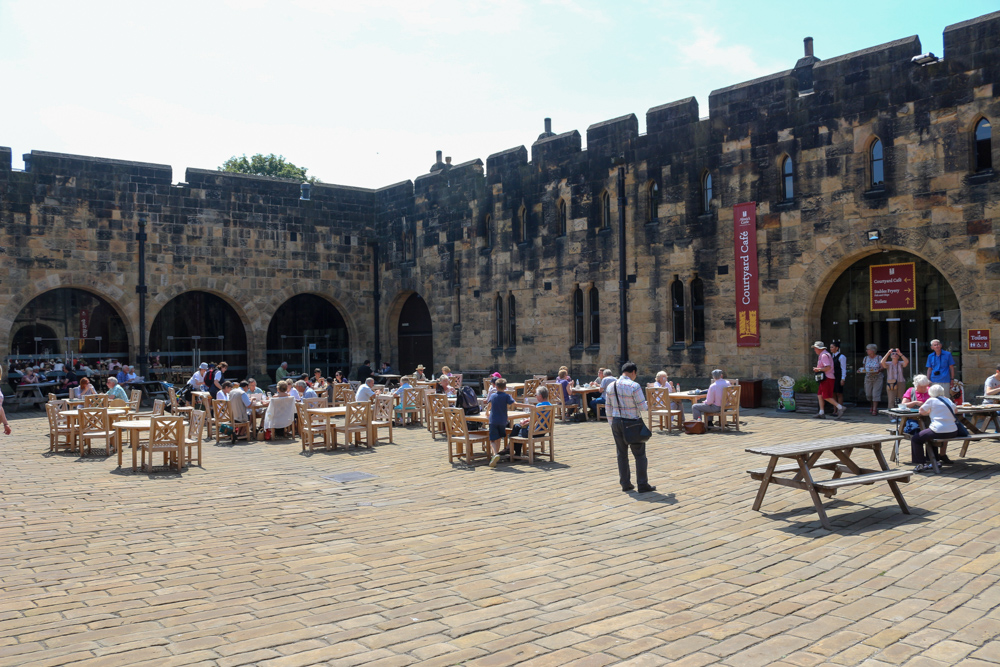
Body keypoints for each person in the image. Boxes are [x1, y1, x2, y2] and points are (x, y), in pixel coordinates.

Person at [606, 361, 655, 493]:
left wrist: (612, 423)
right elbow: (642, 407)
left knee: (621, 454)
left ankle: (625, 484)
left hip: (616, 421)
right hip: (632, 422)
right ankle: (642, 484)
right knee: (639, 454)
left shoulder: (611, 385)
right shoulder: (634, 386)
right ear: (633, 372)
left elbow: (608, 408)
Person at [910, 384, 966, 471]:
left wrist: (929, 412)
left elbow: (921, 411)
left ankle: (921, 463)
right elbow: (956, 411)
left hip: (938, 430)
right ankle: (934, 461)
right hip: (953, 431)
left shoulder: (931, 400)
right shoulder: (948, 400)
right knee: (930, 437)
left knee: (916, 439)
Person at [506, 385, 552, 458]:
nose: (535, 396)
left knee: (517, 428)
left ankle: (513, 452)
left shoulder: (539, 406)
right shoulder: (550, 406)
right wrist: (527, 421)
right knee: (518, 427)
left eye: (536, 395)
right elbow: (538, 419)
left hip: (534, 432)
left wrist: (525, 422)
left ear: (540, 396)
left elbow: (534, 420)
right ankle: (510, 449)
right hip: (543, 431)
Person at [812, 341, 845, 419]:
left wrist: (818, 369)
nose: (814, 350)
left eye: (815, 348)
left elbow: (828, 367)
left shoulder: (824, 355)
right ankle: (821, 412)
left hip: (827, 378)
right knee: (820, 395)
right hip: (825, 378)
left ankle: (840, 407)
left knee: (826, 396)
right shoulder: (823, 354)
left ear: (818, 348)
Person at [487, 378, 515, 468]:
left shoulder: (493, 396)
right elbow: (513, 404)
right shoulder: (506, 396)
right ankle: (496, 455)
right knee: (498, 438)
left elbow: (489, 405)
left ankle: (495, 454)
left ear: (495, 386)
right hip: (502, 421)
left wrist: (487, 411)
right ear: (505, 387)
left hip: (493, 420)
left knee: (492, 440)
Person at [857, 344, 883, 415]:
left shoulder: (879, 358)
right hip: (868, 378)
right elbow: (864, 368)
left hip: (877, 378)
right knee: (869, 394)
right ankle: (871, 405)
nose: (866, 351)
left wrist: (879, 370)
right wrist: (861, 370)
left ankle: (874, 409)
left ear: (872, 350)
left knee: (875, 394)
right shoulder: (865, 358)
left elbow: (882, 367)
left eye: (868, 349)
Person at [829, 341, 848, 407]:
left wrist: (843, 379)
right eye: (830, 347)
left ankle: (840, 409)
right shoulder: (831, 356)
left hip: (838, 377)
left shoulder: (841, 357)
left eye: (832, 347)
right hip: (832, 376)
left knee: (839, 393)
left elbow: (843, 368)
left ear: (837, 348)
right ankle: (835, 409)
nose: (831, 348)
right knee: (833, 393)